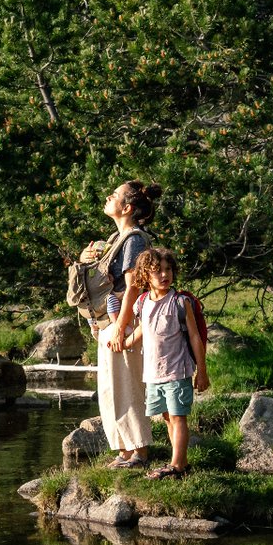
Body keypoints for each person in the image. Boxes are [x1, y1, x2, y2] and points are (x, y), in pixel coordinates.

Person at [94, 180, 162, 469]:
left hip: (127, 319)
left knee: (127, 384)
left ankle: (139, 451)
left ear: (127, 207)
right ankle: (123, 449)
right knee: (111, 386)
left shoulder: (134, 239)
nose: (109, 196)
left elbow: (133, 286)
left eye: (116, 195)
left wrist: (122, 327)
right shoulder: (117, 238)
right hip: (113, 321)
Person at [126, 246, 209, 480]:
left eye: (168, 269)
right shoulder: (142, 303)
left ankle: (175, 466)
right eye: (157, 271)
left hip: (177, 370)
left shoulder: (180, 302)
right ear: (145, 276)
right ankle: (181, 461)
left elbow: (194, 336)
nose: (164, 275)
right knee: (166, 417)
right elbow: (143, 328)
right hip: (153, 373)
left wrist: (201, 371)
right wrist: (125, 341)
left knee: (178, 416)